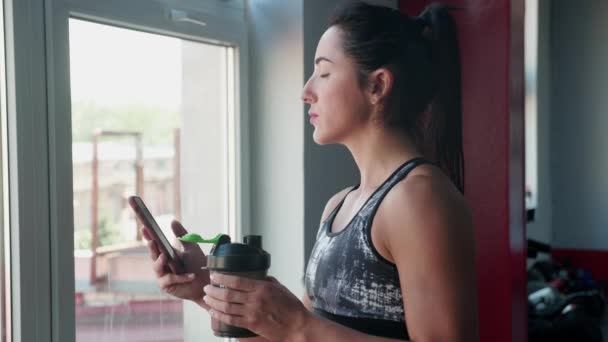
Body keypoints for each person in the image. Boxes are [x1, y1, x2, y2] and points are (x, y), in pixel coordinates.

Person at [142, 2, 478, 341]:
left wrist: (299, 325)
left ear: (377, 86)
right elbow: (296, 337)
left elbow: (302, 332)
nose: (306, 92)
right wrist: (206, 288)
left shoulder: (419, 198)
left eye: (324, 72)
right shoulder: (338, 207)